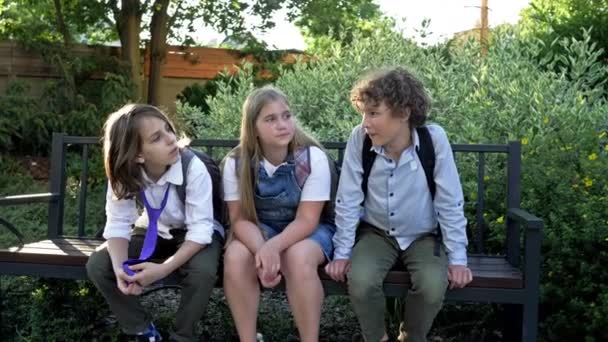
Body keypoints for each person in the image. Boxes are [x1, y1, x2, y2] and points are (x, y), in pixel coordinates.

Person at [325, 67, 473, 342]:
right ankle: (377, 338)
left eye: (373, 113)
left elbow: (450, 201)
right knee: (360, 280)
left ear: (403, 113)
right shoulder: (359, 139)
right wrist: (342, 252)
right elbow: (348, 200)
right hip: (376, 233)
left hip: (423, 236)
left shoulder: (433, 140)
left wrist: (458, 259)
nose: (365, 122)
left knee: (431, 285)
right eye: (363, 113)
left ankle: (411, 337)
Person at [86, 104, 224, 342]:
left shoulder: (193, 167)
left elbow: (201, 230)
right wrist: (121, 271)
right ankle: (141, 330)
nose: (171, 139)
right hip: (153, 229)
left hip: (195, 234)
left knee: (202, 271)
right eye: (157, 138)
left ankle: (182, 336)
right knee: (99, 264)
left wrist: (162, 269)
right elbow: (118, 224)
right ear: (138, 155)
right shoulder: (124, 174)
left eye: (168, 130)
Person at [222, 85, 336, 342]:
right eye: (270, 119)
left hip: (310, 228)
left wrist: (273, 247)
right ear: (254, 128)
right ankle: (248, 338)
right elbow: (239, 219)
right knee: (236, 256)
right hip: (261, 227)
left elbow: (308, 219)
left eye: (286, 115)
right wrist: (264, 248)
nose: (282, 124)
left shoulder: (311, 158)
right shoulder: (237, 163)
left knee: (298, 256)